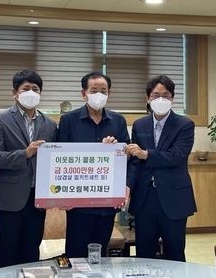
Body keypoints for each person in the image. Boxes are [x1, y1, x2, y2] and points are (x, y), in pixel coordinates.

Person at [0, 70, 58, 267]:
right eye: (26, 88)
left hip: (38, 199)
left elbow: (54, 161)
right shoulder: (0, 119)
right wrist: (24, 154)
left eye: (35, 89)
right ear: (15, 93)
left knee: (31, 251)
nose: (31, 93)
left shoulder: (50, 124)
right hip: (9, 199)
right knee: (7, 253)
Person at [56, 71, 130, 258]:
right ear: (84, 94)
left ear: (109, 93)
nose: (99, 95)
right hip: (78, 204)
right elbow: (60, 158)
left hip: (107, 202)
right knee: (76, 254)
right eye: (93, 90)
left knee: (100, 255)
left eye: (103, 91)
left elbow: (127, 157)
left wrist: (115, 151)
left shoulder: (118, 121)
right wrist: (63, 196)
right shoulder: (68, 120)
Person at [125, 75, 196, 262]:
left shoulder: (185, 124)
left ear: (173, 98)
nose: (161, 99)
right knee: (144, 254)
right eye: (156, 95)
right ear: (148, 98)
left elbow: (177, 156)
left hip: (174, 198)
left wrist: (146, 154)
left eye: (166, 95)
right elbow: (135, 162)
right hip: (145, 198)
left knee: (175, 253)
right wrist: (128, 186)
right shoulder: (139, 124)